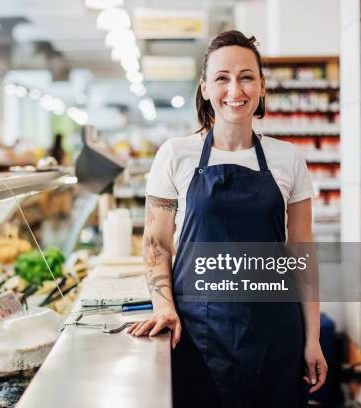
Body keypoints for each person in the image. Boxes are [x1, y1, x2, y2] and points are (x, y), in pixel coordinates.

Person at [127, 30, 328, 407]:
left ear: (262, 86)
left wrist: (312, 337)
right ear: (205, 88)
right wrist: (164, 307)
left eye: (246, 76)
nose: (234, 89)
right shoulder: (175, 155)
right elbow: (156, 244)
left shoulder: (288, 158)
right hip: (199, 334)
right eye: (222, 77)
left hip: (276, 333)